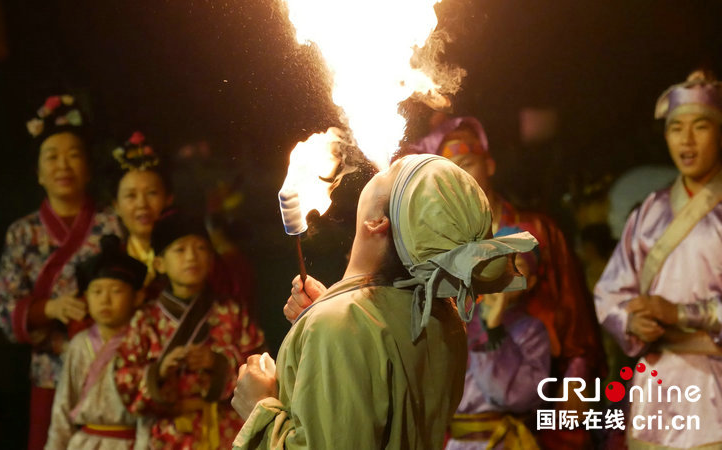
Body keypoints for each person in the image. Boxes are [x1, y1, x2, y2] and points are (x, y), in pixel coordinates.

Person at [232, 154, 538, 449]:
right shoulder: (442, 316)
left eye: (391, 172)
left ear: (378, 221)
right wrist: (332, 311)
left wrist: (259, 407)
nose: (385, 163)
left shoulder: (340, 325)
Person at [412, 116, 605, 448]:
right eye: (447, 174)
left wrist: (574, 394)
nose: (459, 180)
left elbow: (576, 324)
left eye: (466, 164)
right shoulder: (437, 248)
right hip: (466, 421)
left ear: (489, 163)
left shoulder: (538, 231)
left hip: (540, 405)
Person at [594, 70, 722, 448]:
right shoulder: (650, 209)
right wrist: (631, 320)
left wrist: (680, 314)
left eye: (700, 126)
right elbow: (609, 292)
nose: (686, 140)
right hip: (655, 393)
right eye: (675, 128)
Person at [0, 94, 123, 450]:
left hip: (112, 370)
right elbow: (3, 307)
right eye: (52, 156)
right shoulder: (23, 232)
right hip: (49, 374)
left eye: (73, 155)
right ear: (38, 172)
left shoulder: (113, 224)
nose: (63, 165)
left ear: (89, 168)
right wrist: (50, 309)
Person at [114, 211, 265, 448]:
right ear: (159, 263)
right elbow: (125, 381)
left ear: (212, 259)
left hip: (226, 430)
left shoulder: (231, 312)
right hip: (168, 436)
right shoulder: (146, 320)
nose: (192, 257)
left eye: (201, 248)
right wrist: (160, 372)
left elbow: (261, 368)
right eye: (180, 250)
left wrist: (217, 363)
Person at [446, 225, 550, 450]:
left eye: (516, 266)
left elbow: (516, 396)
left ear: (529, 282)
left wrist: (495, 330)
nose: (505, 274)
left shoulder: (532, 331)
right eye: (498, 263)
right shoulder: (461, 322)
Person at [45, 235, 147, 450]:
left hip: (128, 443)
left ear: (137, 297)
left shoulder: (142, 342)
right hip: (83, 443)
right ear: (86, 298)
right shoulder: (79, 345)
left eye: (116, 291)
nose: (105, 300)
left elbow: (148, 411)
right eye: (97, 291)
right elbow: (62, 407)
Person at [110, 131, 173, 293]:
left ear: (168, 199)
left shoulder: (187, 257)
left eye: (152, 193)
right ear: (116, 206)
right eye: (131, 195)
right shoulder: (110, 262)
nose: (142, 204)